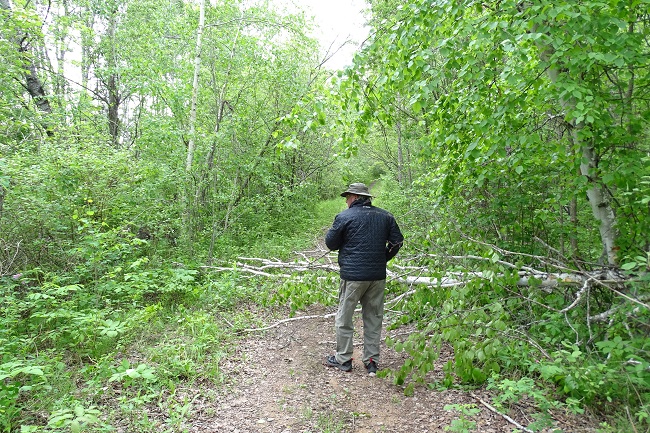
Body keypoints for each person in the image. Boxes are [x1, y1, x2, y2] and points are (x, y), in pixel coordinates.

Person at [324, 182, 404, 376]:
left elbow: (330, 243)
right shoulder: (385, 216)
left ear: (354, 197)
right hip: (377, 277)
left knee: (344, 318)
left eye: (347, 197)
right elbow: (397, 241)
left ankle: (343, 360)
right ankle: (371, 361)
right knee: (373, 318)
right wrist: (383, 258)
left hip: (352, 277)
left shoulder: (344, 217)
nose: (346, 201)